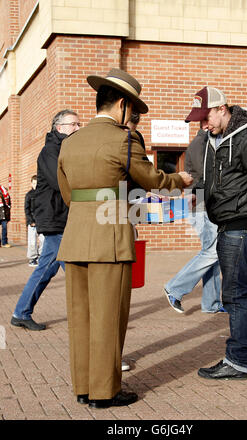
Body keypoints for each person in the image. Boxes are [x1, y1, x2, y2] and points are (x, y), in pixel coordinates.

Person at [56, 68, 193, 409]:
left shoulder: (70, 141)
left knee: (81, 317)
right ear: (121, 105)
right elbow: (151, 179)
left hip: (75, 237)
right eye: (132, 109)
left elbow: (67, 193)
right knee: (108, 317)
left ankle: (84, 387)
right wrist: (181, 179)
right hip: (110, 239)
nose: (132, 116)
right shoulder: (123, 139)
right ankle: (105, 392)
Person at [185, 86, 247, 380]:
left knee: (234, 295)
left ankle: (237, 360)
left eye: (206, 118)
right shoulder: (215, 141)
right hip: (228, 225)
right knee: (243, 293)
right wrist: (198, 197)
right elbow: (219, 182)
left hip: (244, 228)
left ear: (221, 108)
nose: (203, 124)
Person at [11, 109, 80, 331]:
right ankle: (21, 313)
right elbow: (59, 181)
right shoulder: (50, 151)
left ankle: (21, 312)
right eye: (74, 124)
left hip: (62, 218)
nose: (78, 128)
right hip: (54, 218)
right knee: (69, 269)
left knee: (55, 268)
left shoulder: (65, 149)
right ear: (60, 128)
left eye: (79, 124)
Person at [164, 128, 224, 314]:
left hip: (203, 205)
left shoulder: (203, 143)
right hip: (202, 206)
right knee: (212, 252)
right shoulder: (203, 144)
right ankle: (174, 288)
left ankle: (211, 303)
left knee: (212, 255)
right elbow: (206, 178)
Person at [25, 175, 45, 266]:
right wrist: (30, 221)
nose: (35, 185)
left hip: (41, 221)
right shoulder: (29, 195)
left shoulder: (42, 194)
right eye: (33, 183)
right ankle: (32, 258)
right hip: (32, 222)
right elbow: (27, 209)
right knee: (32, 241)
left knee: (43, 240)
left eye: (37, 183)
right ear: (31, 183)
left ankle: (41, 257)